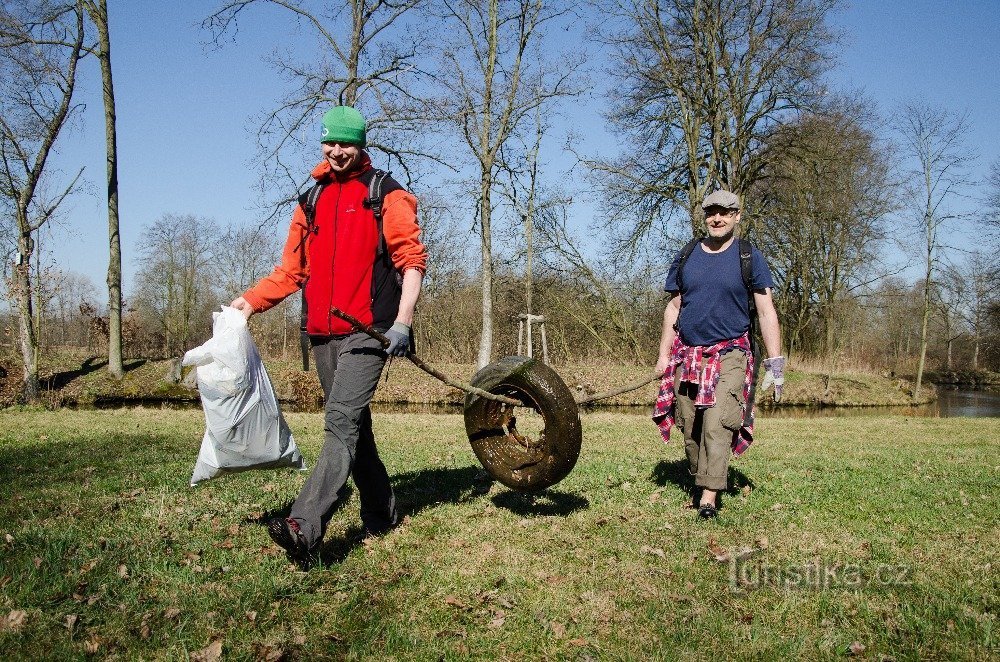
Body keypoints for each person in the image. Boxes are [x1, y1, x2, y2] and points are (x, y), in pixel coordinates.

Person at [230, 105, 427, 561]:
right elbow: (290, 271)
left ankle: (305, 524)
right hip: (322, 334)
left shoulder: (386, 194)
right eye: (330, 143)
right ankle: (384, 514)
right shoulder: (311, 200)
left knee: (339, 424)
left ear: (361, 146)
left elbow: (411, 261)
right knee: (357, 429)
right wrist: (250, 302)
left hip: (370, 331)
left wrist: (403, 321)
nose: (337, 152)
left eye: (347, 144)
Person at [652, 190, 783, 519]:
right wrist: (663, 355)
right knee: (690, 425)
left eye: (725, 212)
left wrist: (776, 364)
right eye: (711, 212)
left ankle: (709, 496)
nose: (717, 218)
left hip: (731, 352)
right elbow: (673, 307)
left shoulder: (749, 256)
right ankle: (701, 479)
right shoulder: (686, 255)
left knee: (717, 421)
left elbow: (766, 312)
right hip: (687, 353)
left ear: (737, 216)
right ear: (704, 216)